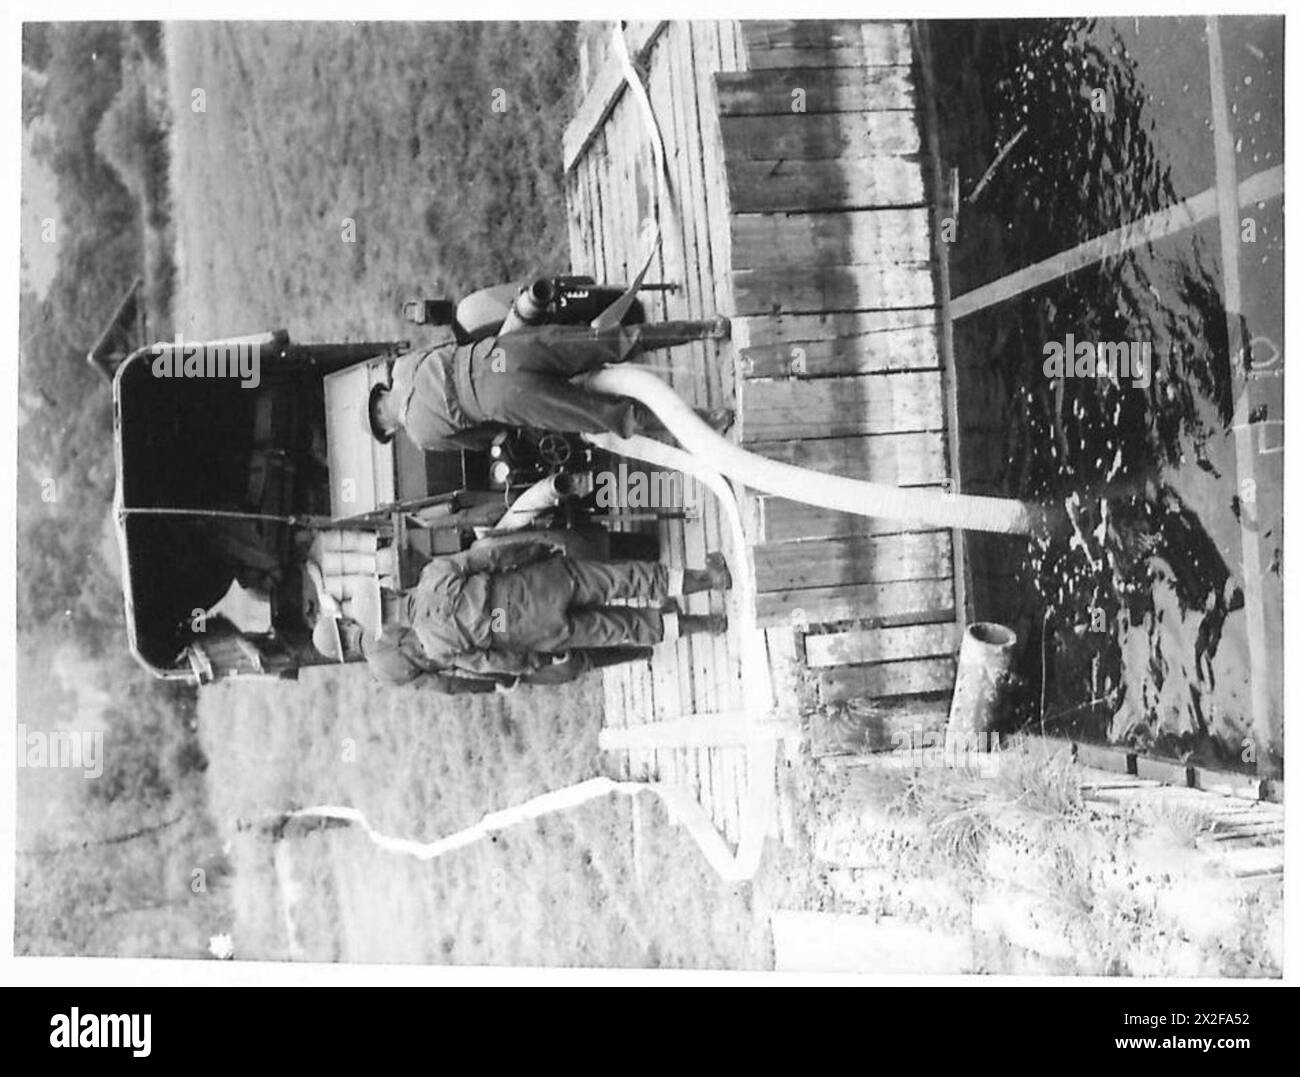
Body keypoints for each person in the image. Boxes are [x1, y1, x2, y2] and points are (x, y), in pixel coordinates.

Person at [373, 542, 731, 679]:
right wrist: (539, 550)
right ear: (389, 590)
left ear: (390, 628)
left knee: (619, 628)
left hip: (532, 633)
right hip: (536, 585)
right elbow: (491, 556)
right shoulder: (432, 575)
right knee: (623, 580)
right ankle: (709, 579)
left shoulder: (435, 647)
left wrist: (537, 661)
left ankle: (707, 624)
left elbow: (492, 663)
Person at [366, 317, 732, 451]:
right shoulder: (406, 366)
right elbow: (450, 343)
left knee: (610, 416)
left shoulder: (419, 434)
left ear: (386, 424)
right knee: (610, 340)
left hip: (502, 399)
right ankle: (705, 329)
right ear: (382, 392)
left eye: (387, 430)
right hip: (502, 352)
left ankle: (712, 420)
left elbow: (486, 438)